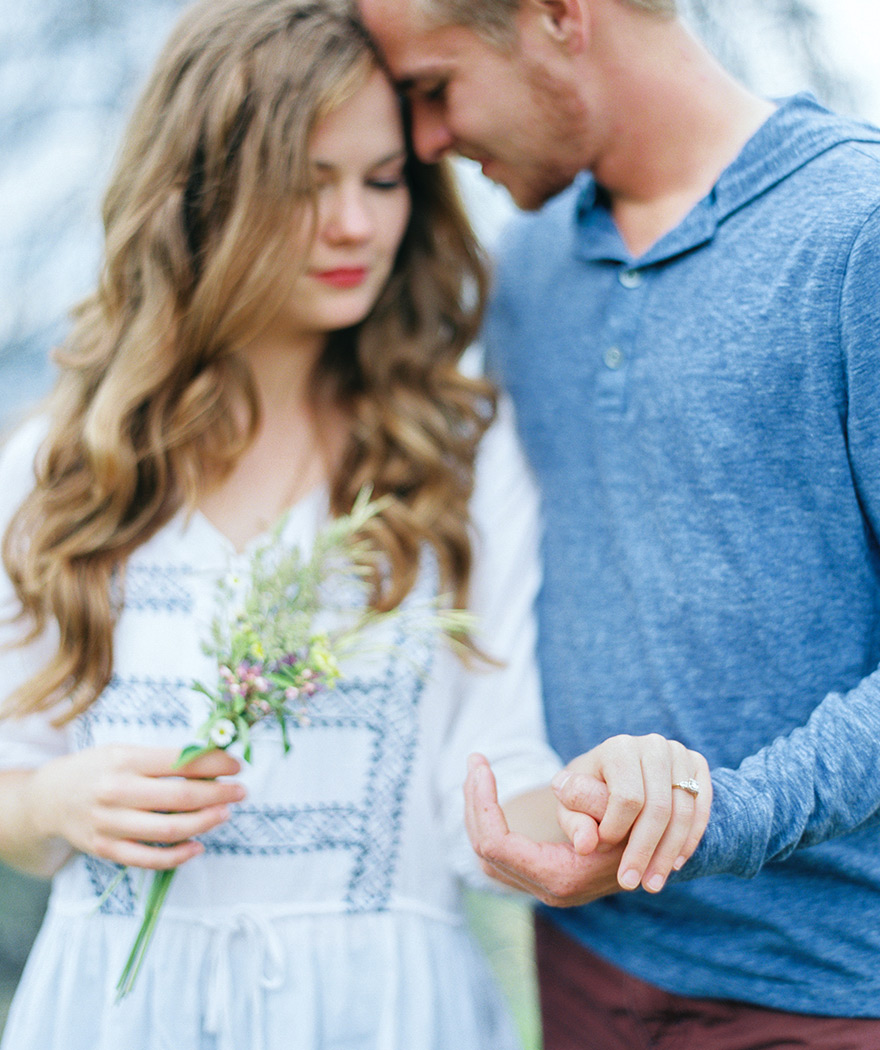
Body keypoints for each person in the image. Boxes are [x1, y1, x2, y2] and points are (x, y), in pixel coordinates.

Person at [0, 1, 713, 1047]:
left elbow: (493, 777)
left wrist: (609, 804)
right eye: (306, 185)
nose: (355, 226)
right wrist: (55, 803)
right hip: (114, 1011)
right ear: (199, 195)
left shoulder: (460, 459)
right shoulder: (63, 463)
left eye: (382, 181)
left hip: (382, 1012)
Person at [356, 0, 880, 1046]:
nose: (425, 139)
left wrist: (719, 815)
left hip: (822, 991)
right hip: (587, 964)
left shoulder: (853, 230)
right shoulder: (528, 265)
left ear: (558, 16)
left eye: (434, 88)